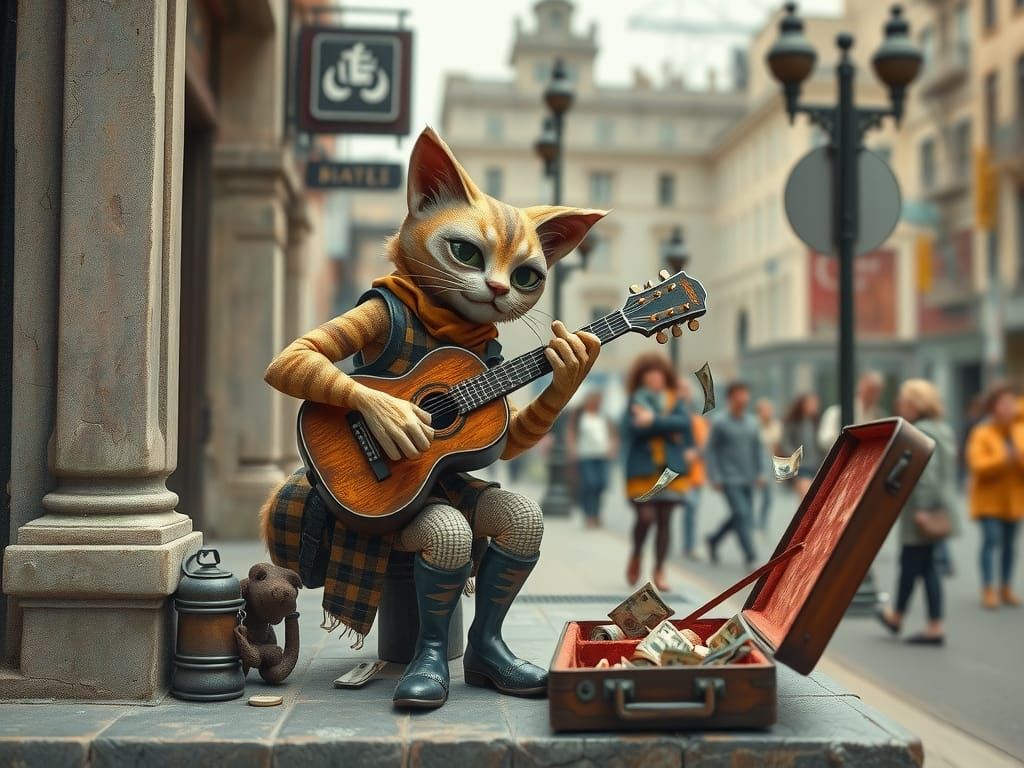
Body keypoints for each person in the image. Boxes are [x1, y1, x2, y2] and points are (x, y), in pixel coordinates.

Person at [876, 380, 959, 645]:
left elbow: (926, 474)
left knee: (913, 563)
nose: (900, 403)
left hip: (923, 509)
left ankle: (909, 619)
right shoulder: (942, 428)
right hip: (940, 507)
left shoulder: (921, 431)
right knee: (924, 566)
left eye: (904, 399)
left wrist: (922, 507)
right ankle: (907, 618)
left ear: (916, 403)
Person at [622, 353, 696, 591]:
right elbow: (630, 430)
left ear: (665, 378)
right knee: (646, 518)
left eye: (658, 376)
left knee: (665, 520)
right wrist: (665, 426)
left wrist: (652, 420)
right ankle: (636, 553)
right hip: (642, 470)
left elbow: (684, 424)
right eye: (649, 377)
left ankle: (660, 569)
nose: (654, 380)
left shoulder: (675, 400)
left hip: (671, 469)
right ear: (642, 380)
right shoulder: (635, 400)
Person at [966, 383, 1024, 609]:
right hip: (988, 500)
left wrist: (1018, 458)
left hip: (1014, 500)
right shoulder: (982, 432)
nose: (1009, 407)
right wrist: (1003, 458)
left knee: (1010, 545)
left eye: (1012, 403)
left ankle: (1006, 586)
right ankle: (988, 587)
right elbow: (977, 465)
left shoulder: (1019, 430)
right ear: (993, 407)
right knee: (991, 541)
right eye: (1004, 403)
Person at [705, 381, 764, 567]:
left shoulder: (753, 422)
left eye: (745, 394)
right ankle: (750, 555)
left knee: (741, 516)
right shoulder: (720, 422)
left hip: (749, 477)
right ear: (731, 398)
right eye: (739, 394)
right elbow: (711, 451)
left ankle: (713, 540)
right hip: (729, 478)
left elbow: (758, 449)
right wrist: (715, 477)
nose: (744, 398)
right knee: (741, 513)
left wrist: (761, 472)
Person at [568, 391, 616, 528]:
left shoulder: (604, 417)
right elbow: (571, 432)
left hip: (602, 455)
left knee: (600, 485)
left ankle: (596, 514)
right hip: (585, 455)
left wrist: (612, 447)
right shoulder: (580, 416)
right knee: (590, 484)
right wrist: (572, 450)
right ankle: (589, 515)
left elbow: (612, 434)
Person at [678, 378, 710, 559]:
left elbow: (704, 443)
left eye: (686, 390)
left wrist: (694, 453)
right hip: (673, 471)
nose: (684, 393)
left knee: (691, 507)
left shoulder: (697, 419)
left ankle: (689, 546)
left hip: (694, 472)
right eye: (681, 389)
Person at [817, 371, 884, 451]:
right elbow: (825, 440)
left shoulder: (880, 415)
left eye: (877, 391)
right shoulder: (835, 412)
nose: (873, 394)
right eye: (870, 389)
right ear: (860, 387)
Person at [782, 393, 823, 501]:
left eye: (815, 403)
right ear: (802, 405)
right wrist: (795, 457)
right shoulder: (793, 422)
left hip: (817, 466)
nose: (814, 406)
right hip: (801, 467)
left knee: (815, 499)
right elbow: (785, 443)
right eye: (811, 403)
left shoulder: (817, 422)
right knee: (806, 498)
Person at [755, 398, 782, 531]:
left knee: (768, 497)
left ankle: (761, 523)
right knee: (752, 496)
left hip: (770, 463)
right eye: (765, 410)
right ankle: (751, 523)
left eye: (770, 410)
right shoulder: (753, 425)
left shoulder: (776, 425)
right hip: (755, 463)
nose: (768, 413)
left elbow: (777, 447)